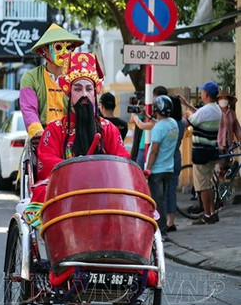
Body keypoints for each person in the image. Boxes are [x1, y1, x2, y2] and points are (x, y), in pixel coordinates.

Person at [35, 52, 129, 202]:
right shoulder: (55, 129)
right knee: (42, 192)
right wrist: (75, 168)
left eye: (89, 89)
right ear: (68, 94)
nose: (84, 94)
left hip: (103, 189)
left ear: (95, 94)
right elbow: (45, 162)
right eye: (77, 89)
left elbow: (122, 159)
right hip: (66, 191)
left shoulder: (108, 129)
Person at [19, 24, 84, 149]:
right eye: (58, 47)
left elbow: (86, 109)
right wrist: (38, 133)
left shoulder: (78, 77)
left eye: (69, 47)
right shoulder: (30, 78)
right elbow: (29, 109)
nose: (64, 52)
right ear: (45, 50)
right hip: (41, 140)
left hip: (73, 140)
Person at [134, 96, 178, 240]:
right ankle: (161, 230)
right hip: (168, 168)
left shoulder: (159, 127)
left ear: (157, 110)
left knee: (157, 202)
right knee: (162, 200)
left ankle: (161, 232)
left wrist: (148, 169)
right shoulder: (173, 124)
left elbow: (154, 151)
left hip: (157, 170)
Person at [181, 81, 221, 225]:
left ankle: (207, 214)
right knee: (208, 183)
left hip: (201, 152)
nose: (202, 93)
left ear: (207, 95)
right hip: (211, 151)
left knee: (202, 186)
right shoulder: (216, 109)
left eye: (203, 91)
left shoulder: (206, 111)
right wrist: (188, 105)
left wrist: (185, 114)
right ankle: (212, 212)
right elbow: (201, 115)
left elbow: (188, 123)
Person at [164, 96, 186, 232]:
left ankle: (165, 220)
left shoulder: (168, 124)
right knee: (172, 191)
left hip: (166, 158)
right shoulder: (182, 123)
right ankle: (171, 220)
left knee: (163, 192)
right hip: (176, 157)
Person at [216, 89, 241, 204]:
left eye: (225, 99)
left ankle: (223, 194)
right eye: (221, 98)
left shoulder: (232, 113)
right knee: (219, 169)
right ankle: (217, 195)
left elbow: (236, 128)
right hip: (218, 143)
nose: (223, 101)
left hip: (229, 145)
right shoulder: (216, 112)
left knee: (228, 170)